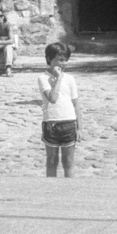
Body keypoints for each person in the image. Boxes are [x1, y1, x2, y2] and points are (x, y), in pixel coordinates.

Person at [38, 42, 80, 177]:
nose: (63, 63)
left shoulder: (71, 79)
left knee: (68, 162)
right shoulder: (43, 78)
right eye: (60, 60)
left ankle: (69, 191)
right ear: (50, 59)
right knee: (52, 161)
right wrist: (58, 79)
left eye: (65, 60)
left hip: (69, 123)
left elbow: (76, 104)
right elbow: (53, 98)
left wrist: (80, 128)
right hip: (52, 123)